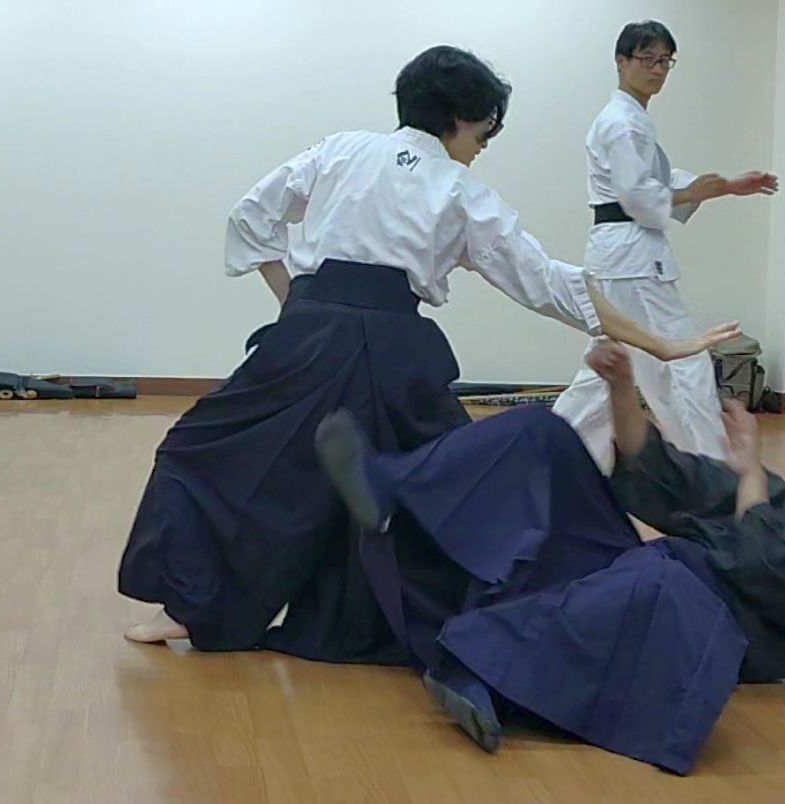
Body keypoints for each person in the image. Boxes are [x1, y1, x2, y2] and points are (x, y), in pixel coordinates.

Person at [117, 45, 739, 665]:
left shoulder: (340, 150)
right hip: (393, 355)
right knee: (445, 489)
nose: (482, 147)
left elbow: (251, 217)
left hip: (307, 337)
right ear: (460, 120)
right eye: (484, 133)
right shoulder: (461, 191)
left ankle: (190, 605)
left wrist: (294, 304)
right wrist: (662, 342)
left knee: (212, 453)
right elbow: (547, 281)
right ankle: (486, 625)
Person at [315, 340, 785, 772]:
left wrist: (748, 473)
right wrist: (622, 388)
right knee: (545, 434)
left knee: (672, 574)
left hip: (673, 619)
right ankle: (390, 486)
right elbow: (662, 475)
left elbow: (757, 564)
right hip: (632, 578)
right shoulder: (775, 496)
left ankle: (481, 669)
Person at [552, 20, 779, 471]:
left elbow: (654, 181)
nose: (657, 69)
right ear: (621, 62)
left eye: (665, 61)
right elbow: (636, 194)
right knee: (683, 363)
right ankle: (711, 469)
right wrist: (694, 192)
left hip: (623, 257)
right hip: (632, 262)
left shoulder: (630, 120)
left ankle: (550, 453)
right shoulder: (623, 123)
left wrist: (723, 186)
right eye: (647, 59)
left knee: (609, 367)